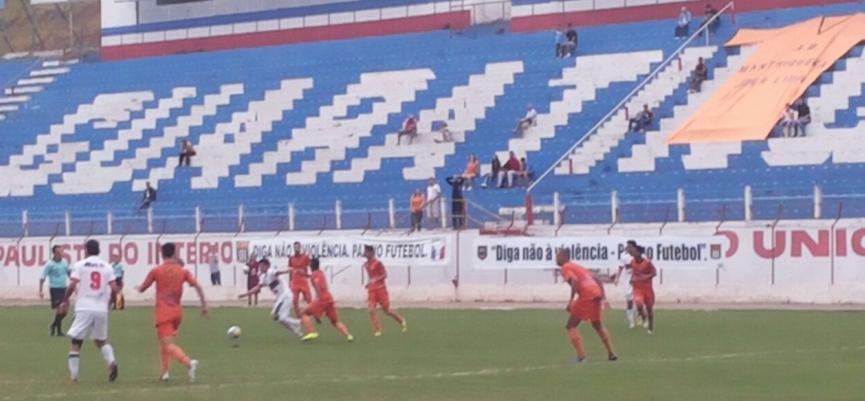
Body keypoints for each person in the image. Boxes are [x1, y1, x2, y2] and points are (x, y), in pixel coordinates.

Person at [136, 242, 208, 382]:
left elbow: (143, 287)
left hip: (163, 312)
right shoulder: (183, 271)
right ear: (174, 253)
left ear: (162, 254)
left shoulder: (156, 271)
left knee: (168, 344)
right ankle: (165, 373)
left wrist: (138, 288)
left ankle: (188, 363)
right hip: (177, 312)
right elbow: (198, 286)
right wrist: (203, 305)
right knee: (164, 342)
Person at [60, 239, 119, 383]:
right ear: (98, 250)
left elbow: (73, 284)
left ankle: (74, 377)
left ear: (86, 250)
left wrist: (65, 299)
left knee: (76, 342)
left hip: (84, 307)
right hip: (101, 308)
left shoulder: (80, 265)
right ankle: (111, 361)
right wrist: (110, 302)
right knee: (101, 341)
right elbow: (115, 288)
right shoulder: (107, 266)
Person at [557, 248, 617, 363]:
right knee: (598, 325)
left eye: (558, 256)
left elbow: (574, 281)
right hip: (596, 293)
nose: (556, 258)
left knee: (571, 326)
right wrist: (603, 297)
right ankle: (611, 354)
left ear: (564, 256)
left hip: (586, 294)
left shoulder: (566, 267)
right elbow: (597, 279)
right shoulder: (578, 266)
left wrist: (570, 301)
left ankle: (581, 356)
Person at [238, 258, 303, 338]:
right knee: (280, 318)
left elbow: (278, 272)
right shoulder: (263, 277)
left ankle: (300, 322)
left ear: (267, 266)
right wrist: (245, 294)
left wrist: (287, 270)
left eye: (261, 266)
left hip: (286, 296)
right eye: (259, 266)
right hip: (281, 298)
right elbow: (257, 288)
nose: (260, 268)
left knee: (277, 316)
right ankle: (297, 331)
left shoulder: (270, 271)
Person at [300, 257, 354, 342]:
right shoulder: (320, 273)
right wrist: (305, 275)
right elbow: (314, 277)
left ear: (312, 265)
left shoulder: (314, 275)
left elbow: (317, 283)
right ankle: (348, 335)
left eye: (310, 264)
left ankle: (312, 332)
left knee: (304, 313)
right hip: (329, 298)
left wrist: (317, 297)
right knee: (335, 321)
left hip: (322, 299)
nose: (309, 265)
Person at [363, 245, 407, 336]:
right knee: (371, 309)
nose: (365, 253)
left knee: (387, 311)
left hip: (380, 289)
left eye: (367, 251)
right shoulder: (366, 265)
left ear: (371, 253)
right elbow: (372, 277)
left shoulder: (378, 263)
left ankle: (401, 320)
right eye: (365, 251)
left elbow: (384, 275)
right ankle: (378, 330)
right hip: (372, 290)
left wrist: (376, 280)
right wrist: (369, 283)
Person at [39, 245, 69, 336]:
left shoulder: (64, 262)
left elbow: (69, 273)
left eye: (62, 252)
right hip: (55, 289)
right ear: (54, 253)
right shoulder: (50, 264)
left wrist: (74, 285)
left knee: (65, 311)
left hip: (64, 288)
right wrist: (40, 290)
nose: (61, 254)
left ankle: (53, 325)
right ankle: (59, 331)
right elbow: (42, 277)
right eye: (59, 252)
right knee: (59, 309)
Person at [629, 243, 657, 334]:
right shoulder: (632, 262)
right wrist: (632, 279)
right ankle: (644, 318)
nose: (633, 253)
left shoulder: (647, 263)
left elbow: (654, 273)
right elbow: (633, 272)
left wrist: (645, 277)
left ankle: (650, 328)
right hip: (637, 288)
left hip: (647, 289)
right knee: (639, 304)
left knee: (649, 309)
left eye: (634, 251)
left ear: (639, 253)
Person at [614, 240, 638, 329]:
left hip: (637, 279)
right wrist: (617, 278)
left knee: (638, 299)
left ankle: (638, 315)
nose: (627, 248)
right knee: (629, 300)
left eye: (629, 246)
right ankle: (631, 320)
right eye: (627, 246)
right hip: (627, 280)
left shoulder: (638, 255)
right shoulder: (624, 256)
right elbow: (620, 268)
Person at [288, 242, 312, 318]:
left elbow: (310, 267)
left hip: (303, 281)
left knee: (308, 299)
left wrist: (309, 276)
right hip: (295, 282)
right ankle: (299, 316)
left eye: (298, 247)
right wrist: (290, 280)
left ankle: (311, 313)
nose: (296, 248)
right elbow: (290, 270)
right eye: (295, 247)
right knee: (294, 300)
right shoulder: (291, 258)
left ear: (300, 247)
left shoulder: (305, 257)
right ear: (293, 248)